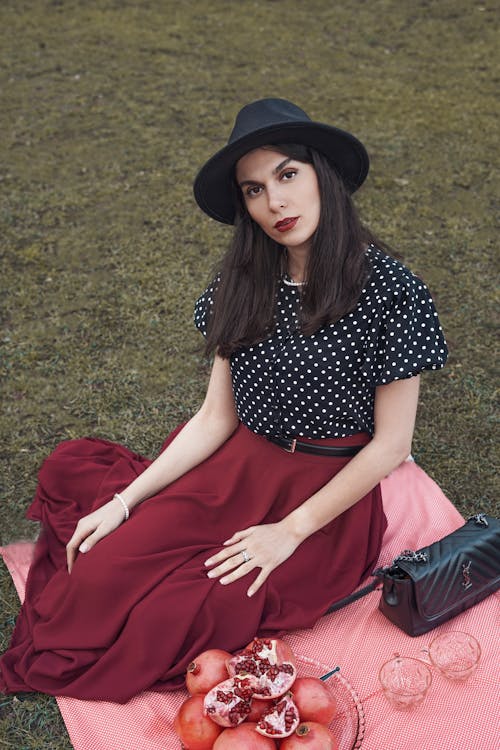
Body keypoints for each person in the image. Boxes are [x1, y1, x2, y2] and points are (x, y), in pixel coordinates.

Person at [0, 98, 447, 703]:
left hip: (323, 502)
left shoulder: (392, 290)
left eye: (288, 175)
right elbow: (216, 416)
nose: (275, 202)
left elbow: (393, 446)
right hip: (234, 469)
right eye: (254, 189)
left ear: (324, 175)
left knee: (170, 618)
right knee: (100, 573)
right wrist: (125, 503)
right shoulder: (243, 280)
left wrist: (288, 532)